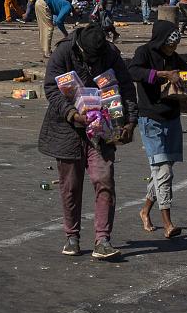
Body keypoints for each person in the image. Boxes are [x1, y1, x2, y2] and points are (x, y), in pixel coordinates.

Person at [39, 23, 138, 259]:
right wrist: (72, 113)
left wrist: (130, 122)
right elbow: (51, 87)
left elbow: (126, 88)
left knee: (104, 179)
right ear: (81, 48)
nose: (94, 61)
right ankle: (71, 236)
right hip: (68, 129)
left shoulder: (110, 54)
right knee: (70, 185)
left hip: (103, 128)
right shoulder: (63, 52)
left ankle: (102, 240)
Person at [130, 21, 187, 239]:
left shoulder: (174, 58)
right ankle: (168, 222)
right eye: (169, 46)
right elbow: (134, 71)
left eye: (175, 47)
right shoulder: (144, 52)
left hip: (172, 118)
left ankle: (144, 211)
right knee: (164, 172)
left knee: (161, 171)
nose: (172, 51)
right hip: (151, 119)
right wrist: (162, 74)